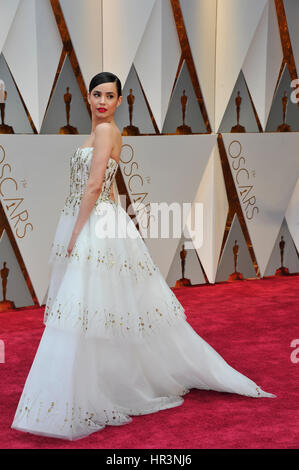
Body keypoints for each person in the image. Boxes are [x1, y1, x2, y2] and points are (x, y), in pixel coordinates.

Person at [11, 72, 275, 441]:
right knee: (94, 307)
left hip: (96, 224)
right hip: (90, 218)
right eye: (97, 94)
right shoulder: (97, 132)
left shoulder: (106, 132)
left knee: (88, 307)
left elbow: (94, 184)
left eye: (110, 96)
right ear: (87, 97)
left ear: (120, 101)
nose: (103, 101)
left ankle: (84, 390)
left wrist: (74, 233)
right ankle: (96, 384)